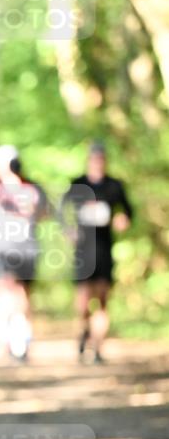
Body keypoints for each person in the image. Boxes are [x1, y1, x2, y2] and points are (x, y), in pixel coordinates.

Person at [61, 142, 133, 363]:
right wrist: (68, 230)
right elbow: (62, 211)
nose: (98, 162)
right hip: (83, 250)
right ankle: (84, 332)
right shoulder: (78, 184)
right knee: (83, 302)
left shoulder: (114, 186)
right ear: (89, 160)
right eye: (94, 158)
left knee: (102, 299)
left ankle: (98, 348)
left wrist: (123, 220)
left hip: (104, 249)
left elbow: (128, 211)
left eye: (101, 159)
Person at [0, 145, 48, 362]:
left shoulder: (29, 188)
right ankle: (9, 338)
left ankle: (19, 340)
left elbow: (41, 213)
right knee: (6, 294)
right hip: (2, 249)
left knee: (19, 296)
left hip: (23, 249)